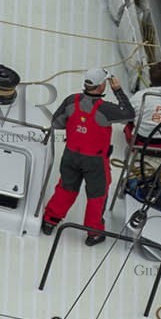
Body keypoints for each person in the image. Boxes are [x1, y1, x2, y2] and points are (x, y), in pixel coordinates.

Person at [41, 69, 135, 245]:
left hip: (70, 155)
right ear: (101, 86)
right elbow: (129, 114)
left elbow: (56, 123)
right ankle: (94, 234)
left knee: (65, 189)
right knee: (97, 196)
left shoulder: (72, 101)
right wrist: (118, 91)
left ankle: (49, 221)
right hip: (95, 161)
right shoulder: (106, 109)